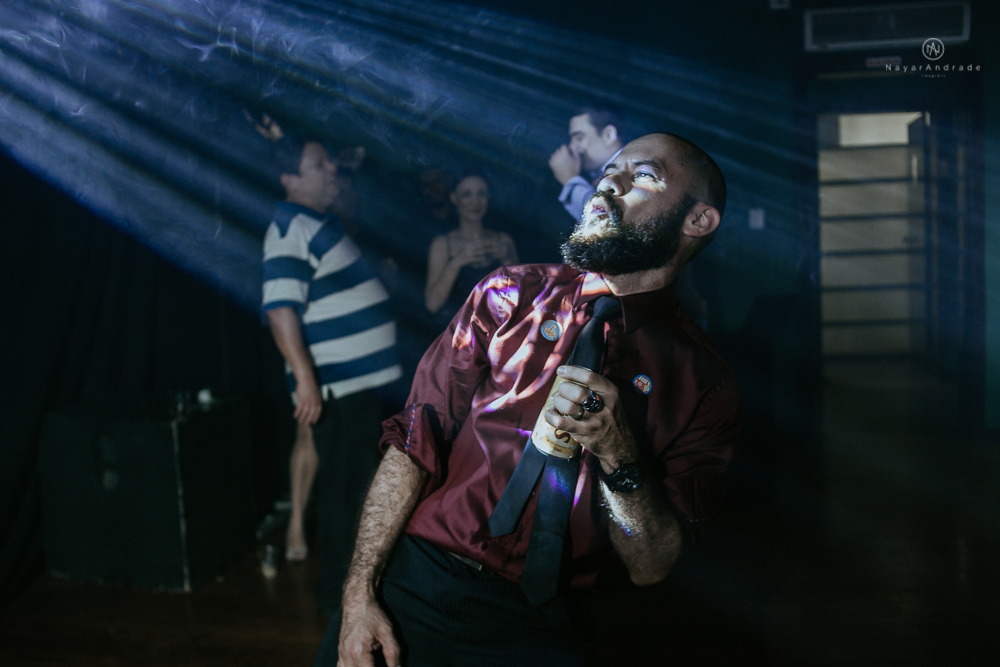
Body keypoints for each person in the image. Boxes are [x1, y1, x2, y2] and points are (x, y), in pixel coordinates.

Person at [314, 132, 741, 666]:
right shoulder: (510, 295)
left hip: (544, 625)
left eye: (644, 175)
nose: (610, 180)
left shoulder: (705, 382)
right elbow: (412, 445)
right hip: (416, 586)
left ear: (697, 221)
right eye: (610, 169)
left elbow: (651, 564)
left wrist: (619, 454)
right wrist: (359, 593)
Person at [261, 135, 403, 611]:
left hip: (365, 386)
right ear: (290, 178)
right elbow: (280, 308)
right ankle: (342, 606)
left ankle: (360, 596)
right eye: (318, 164)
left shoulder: (319, 222)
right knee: (348, 498)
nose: (331, 171)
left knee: (362, 491)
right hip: (342, 391)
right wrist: (304, 378)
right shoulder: (289, 223)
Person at [423, 170, 518, 325]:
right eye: (467, 194)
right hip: (459, 339)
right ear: (454, 198)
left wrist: (507, 262)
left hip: (498, 333)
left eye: (481, 194)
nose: (475, 201)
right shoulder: (442, 244)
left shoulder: (503, 240)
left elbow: (521, 300)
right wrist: (457, 262)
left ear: (488, 198)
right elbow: (432, 304)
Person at [549, 104, 624, 223]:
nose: (572, 146)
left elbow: (605, 222)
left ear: (608, 135)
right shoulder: (600, 175)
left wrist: (571, 180)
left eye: (579, 138)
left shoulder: (631, 170)